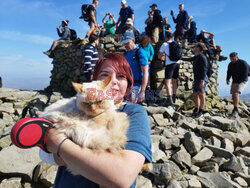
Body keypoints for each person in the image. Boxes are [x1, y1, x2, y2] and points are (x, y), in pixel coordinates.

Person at [39, 52, 152, 188]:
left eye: (121, 76)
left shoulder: (133, 113)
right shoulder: (74, 105)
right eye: (105, 75)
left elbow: (122, 176)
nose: (113, 81)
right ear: (94, 80)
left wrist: (59, 143)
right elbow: (46, 154)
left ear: (128, 82)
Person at [120, 30, 149, 103]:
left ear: (133, 40)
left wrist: (142, 91)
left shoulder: (140, 52)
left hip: (136, 87)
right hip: (127, 87)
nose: (125, 45)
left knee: (131, 109)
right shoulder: (126, 54)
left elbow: (145, 72)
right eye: (124, 43)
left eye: (127, 42)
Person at [182, 43, 209, 118]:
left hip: (202, 79)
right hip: (197, 79)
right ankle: (196, 109)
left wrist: (202, 81)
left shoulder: (202, 57)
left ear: (199, 48)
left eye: (195, 47)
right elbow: (188, 59)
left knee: (201, 94)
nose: (194, 48)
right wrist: (179, 58)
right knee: (195, 94)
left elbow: (204, 69)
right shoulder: (196, 57)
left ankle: (201, 110)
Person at [158, 33, 180, 105]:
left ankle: (169, 97)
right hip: (177, 63)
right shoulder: (177, 44)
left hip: (169, 64)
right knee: (174, 81)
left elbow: (159, 56)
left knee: (167, 81)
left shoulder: (164, 44)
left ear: (166, 37)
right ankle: (174, 96)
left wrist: (163, 58)